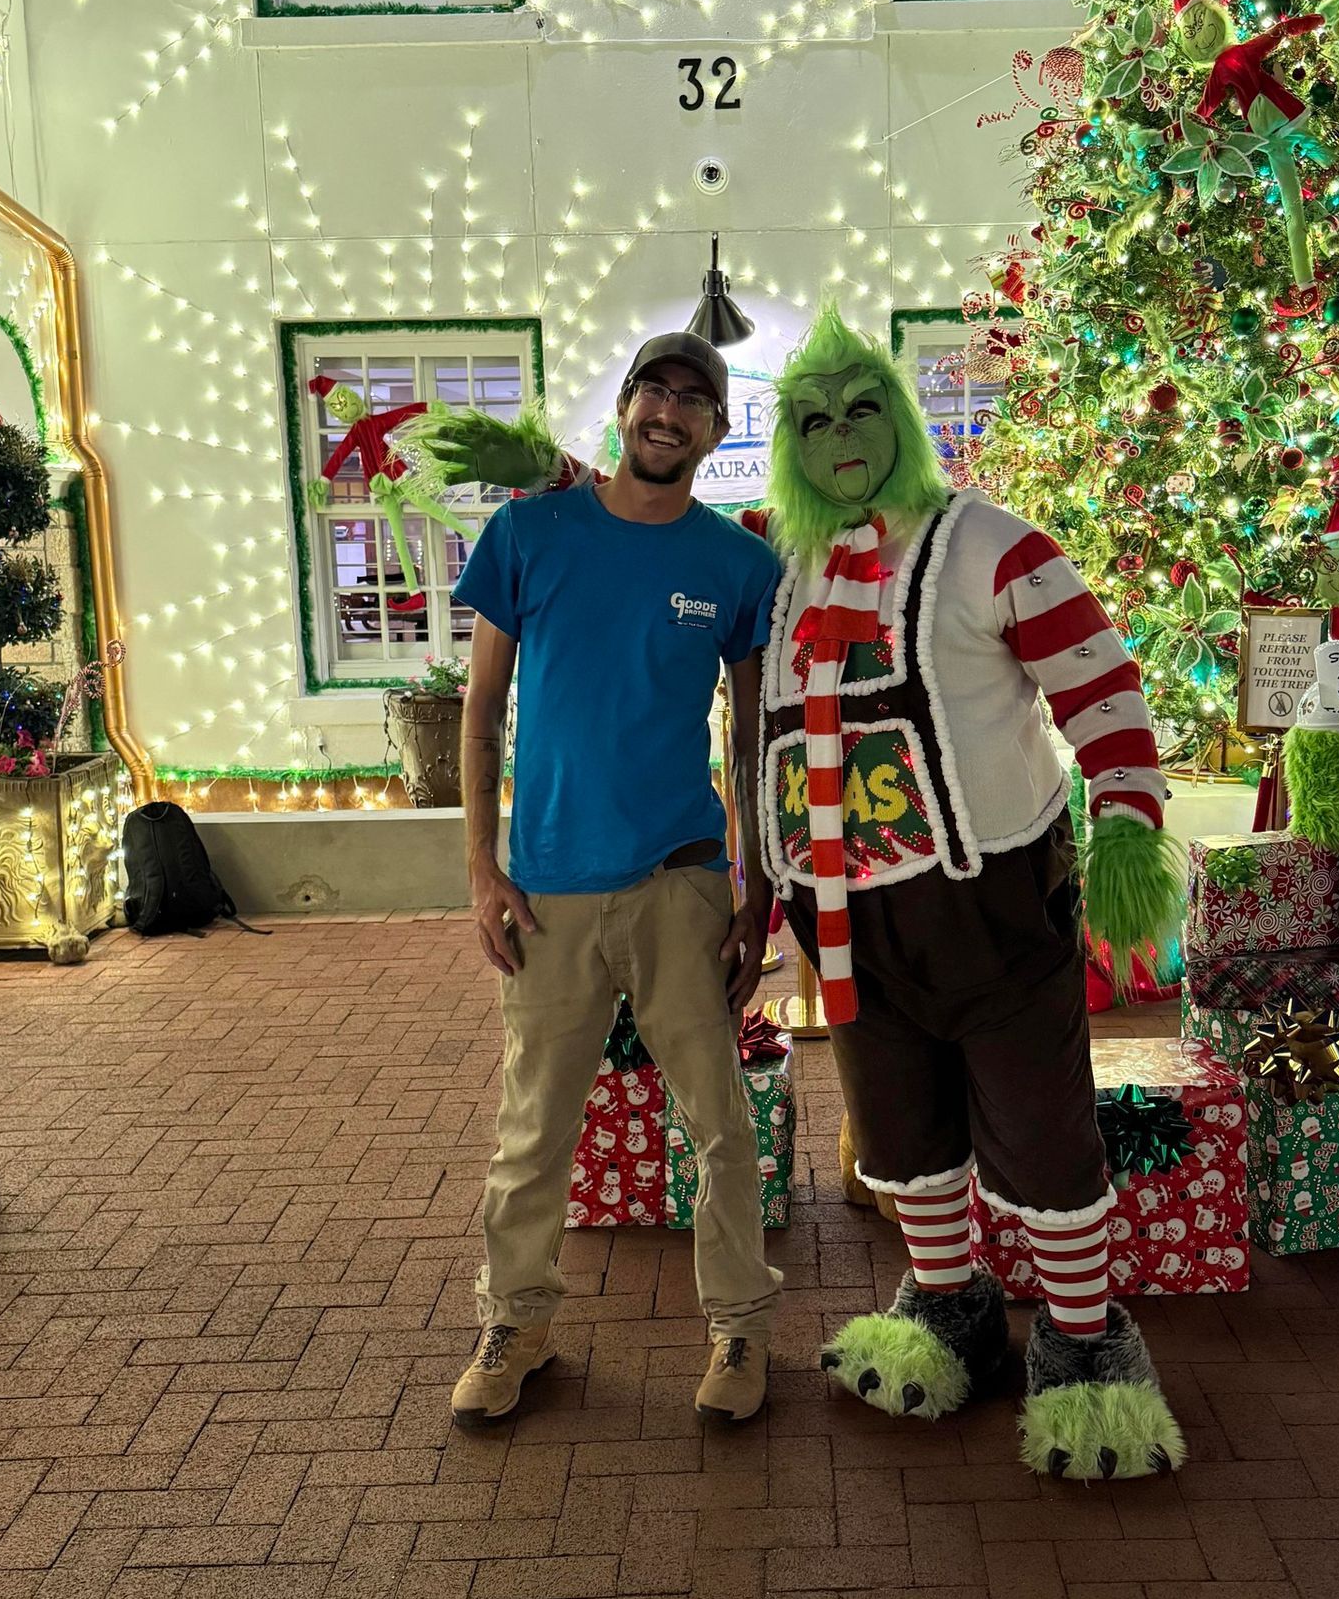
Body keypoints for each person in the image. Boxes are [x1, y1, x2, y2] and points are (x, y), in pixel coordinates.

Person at [403, 307, 1191, 1481]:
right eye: (811, 420)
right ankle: (942, 1307)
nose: (838, 438)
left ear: (900, 422)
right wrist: (546, 470)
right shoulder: (775, 555)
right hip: (827, 918)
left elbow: (1093, 668)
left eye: (862, 411)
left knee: (1033, 1131)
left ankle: (1080, 1346)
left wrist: (1127, 812)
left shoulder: (966, 546)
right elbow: (634, 523)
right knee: (900, 1137)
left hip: (976, 903)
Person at [437, 332, 784, 1428]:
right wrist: (482, 870)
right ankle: (517, 1323)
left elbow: (752, 732)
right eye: (654, 391)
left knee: (720, 1125)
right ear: (626, 407)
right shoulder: (530, 534)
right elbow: (482, 709)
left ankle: (738, 1330)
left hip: (680, 882)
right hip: (547, 890)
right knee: (534, 1127)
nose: (670, 412)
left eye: (696, 399)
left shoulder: (737, 564)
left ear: (717, 431)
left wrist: (757, 879)